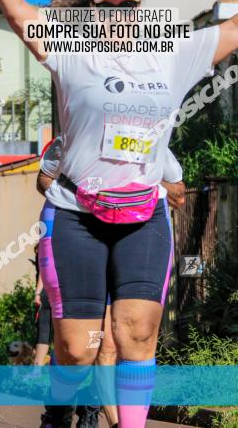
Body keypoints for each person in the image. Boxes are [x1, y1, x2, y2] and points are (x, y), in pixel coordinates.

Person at [0, 0, 238, 428]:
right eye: (107, 8)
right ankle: (60, 411)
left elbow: (234, 29)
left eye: (128, 8)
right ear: (91, 12)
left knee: (137, 332)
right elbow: (16, 11)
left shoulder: (174, 51)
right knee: (78, 348)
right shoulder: (69, 48)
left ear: (140, 11)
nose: (119, 18)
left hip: (142, 216)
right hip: (76, 215)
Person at [36, 136, 186, 428]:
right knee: (80, 349)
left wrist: (142, 185)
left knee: (121, 342)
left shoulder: (150, 140)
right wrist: (84, 194)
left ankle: (108, 417)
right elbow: (43, 179)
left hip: (132, 245)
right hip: (82, 243)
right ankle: (58, 410)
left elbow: (179, 194)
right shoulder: (75, 133)